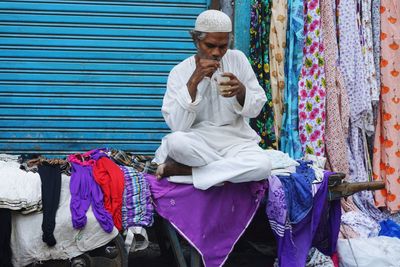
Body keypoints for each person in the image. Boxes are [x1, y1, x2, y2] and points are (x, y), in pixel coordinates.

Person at [153, 9, 272, 190]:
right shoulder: (179, 72)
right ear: (196, 41)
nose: (217, 52)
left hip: (236, 141)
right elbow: (177, 125)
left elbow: (255, 109)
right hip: (199, 142)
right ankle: (228, 171)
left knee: (263, 166)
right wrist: (194, 80)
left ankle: (186, 171)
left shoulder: (238, 59)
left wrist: (241, 91)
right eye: (210, 45)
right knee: (176, 142)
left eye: (223, 46)